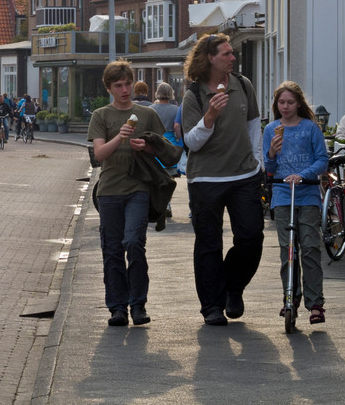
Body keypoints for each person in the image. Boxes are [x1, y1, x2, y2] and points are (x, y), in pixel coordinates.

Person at [88, 59, 179, 327]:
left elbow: (164, 152)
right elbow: (99, 154)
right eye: (119, 85)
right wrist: (121, 137)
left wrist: (146, 146)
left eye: (128, 84)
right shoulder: (101, 116)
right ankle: (117, 307)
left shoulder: (147, 114)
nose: (125, 89)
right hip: (109, 190)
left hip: (138, 188)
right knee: (112, 250)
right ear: (109, 88)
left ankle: (138, 304)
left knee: (134, 243)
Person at [181, 33, 263, 326]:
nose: (232, 57)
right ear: (209, 58)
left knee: (252, 237)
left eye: (232, 53)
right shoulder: (194, 95)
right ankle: (212, 307)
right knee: (208, 243)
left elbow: (254, 124)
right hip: (206, 179)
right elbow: (191, 142)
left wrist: (258, 161)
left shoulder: (243, 85)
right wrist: (210, 116)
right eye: (226, 54)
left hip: (244, 175)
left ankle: (232, 285)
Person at [262, 81, 329, 324]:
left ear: (299, 103)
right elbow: (268, 168)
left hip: (307, 193)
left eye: (290, 102)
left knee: (310, 247)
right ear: (276, 104)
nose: (285, 106)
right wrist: (271, 153)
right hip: (282, 194)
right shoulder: (271, 129)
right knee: (287, 250)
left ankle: (315, 302)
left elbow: (322, 160)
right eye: (281, 102)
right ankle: (290, 297)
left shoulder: (310, 128)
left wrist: (303, 175)